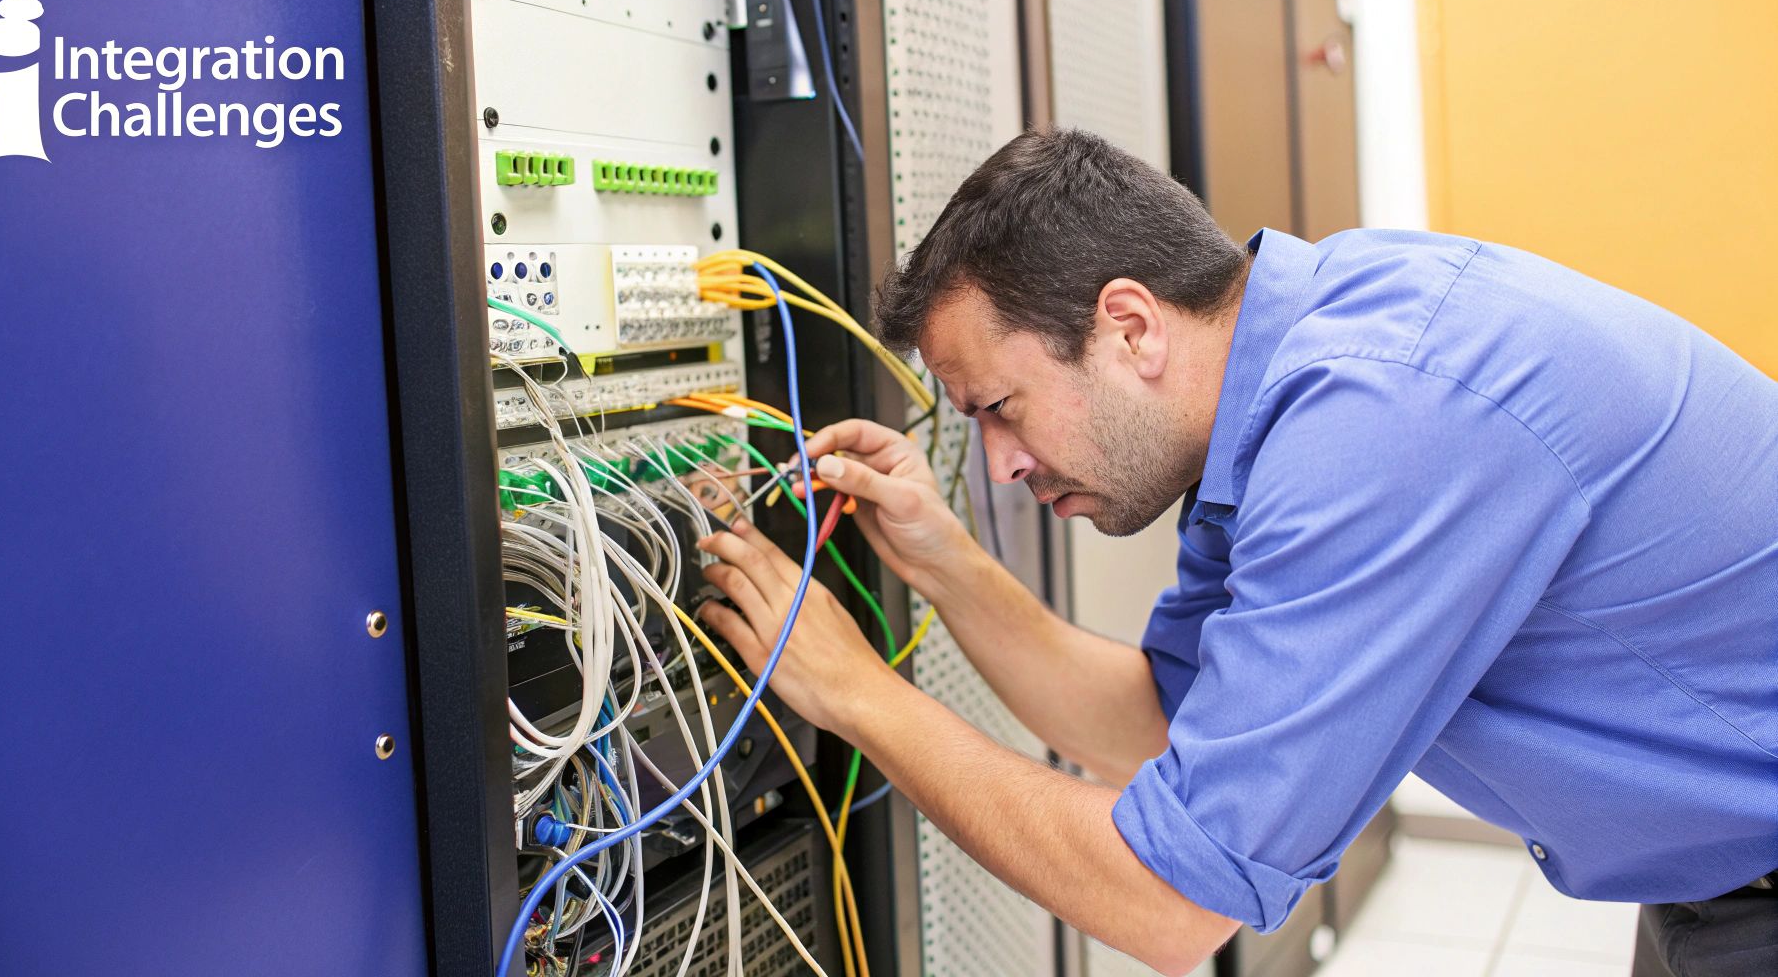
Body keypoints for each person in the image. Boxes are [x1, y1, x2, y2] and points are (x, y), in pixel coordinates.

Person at [694, 129, 1778, 976]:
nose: (1001, 465)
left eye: (1001, 408)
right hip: (1713, 878)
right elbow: (1162, 726)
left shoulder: (1379, 418)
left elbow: (1171, 902)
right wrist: (943, 562)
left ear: (1129, 326)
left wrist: (856, 693)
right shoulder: (1276, 390)